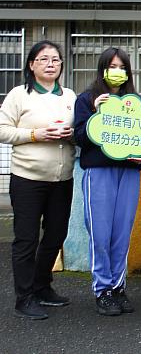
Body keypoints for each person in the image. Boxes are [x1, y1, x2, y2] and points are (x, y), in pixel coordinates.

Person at [0, 41, 76, 320]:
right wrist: (35, 135)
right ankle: (24, 297)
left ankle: (42, 285)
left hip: (62, 178)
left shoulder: (68, 95)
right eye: (43, 59)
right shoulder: (19, 95)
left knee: (57, 234)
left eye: (56, 59)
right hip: (28, 178)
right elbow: (3, 131)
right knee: (26, 238)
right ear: (31, 65)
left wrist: (70, 135)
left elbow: (81, 131)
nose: (51, 64)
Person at [73, 47, 141, 316]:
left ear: (128, 72)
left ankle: (118, 286)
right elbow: (80, 138)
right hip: (99, 172)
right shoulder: (87, 99)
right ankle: (102, 290)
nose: (117, 72)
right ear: (102, 69)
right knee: (100, 232)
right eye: (112, 66)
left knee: (122, 232)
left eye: (122, 67)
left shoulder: (136, 101)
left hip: (128, 172)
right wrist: (96, 111)